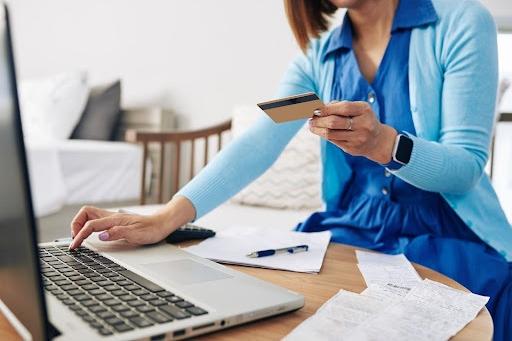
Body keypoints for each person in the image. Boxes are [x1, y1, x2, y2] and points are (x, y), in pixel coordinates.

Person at [69, 0, 511, 339]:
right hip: (349, 233)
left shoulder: (459, 23)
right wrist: (167, 216)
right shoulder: (320, 56)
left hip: (450, 234)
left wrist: (385, 144)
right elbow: (260, 140)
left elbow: (466, 168)